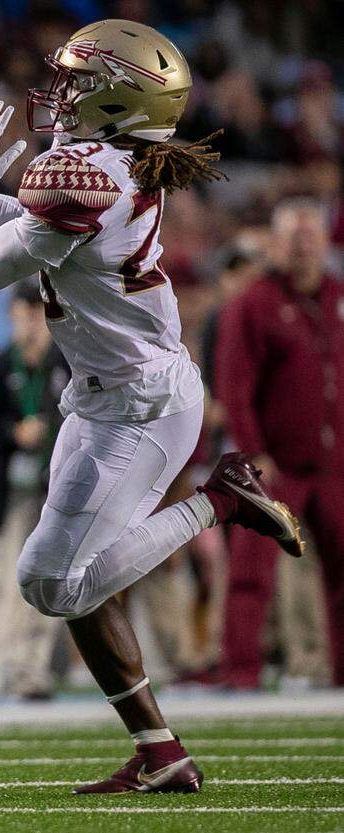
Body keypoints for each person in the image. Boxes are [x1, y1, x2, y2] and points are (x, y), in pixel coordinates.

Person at [0, 21, 303, 794]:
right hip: (101, 396)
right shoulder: (104, 166)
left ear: (120, 102)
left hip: (144, 405)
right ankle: (160, 752)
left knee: (51, 583)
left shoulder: (90, 174)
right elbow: (28, 234)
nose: (61, 95)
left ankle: (219, 501)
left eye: (80, 84)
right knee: (80, 588)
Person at [215, 200, 344, 688]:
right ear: (276, 243)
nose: (303, 245)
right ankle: (240, 672)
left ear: (326, 240)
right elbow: (235, 387)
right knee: (252, 571)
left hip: (335, 462)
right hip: (277, 464)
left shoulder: (336, 295)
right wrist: (253, 455)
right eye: (293, 236)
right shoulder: (253, 303)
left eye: (311, 235)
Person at [0, 281, 68, 703]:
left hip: (50, 490)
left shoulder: (66, 366)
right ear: (11, 317)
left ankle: (30, 669)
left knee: (44, 583)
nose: (29, 323)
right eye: (22, 313)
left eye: (36, 314)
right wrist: (12, 432)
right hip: (4, 491)